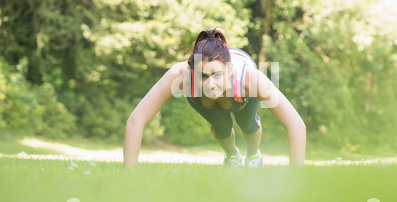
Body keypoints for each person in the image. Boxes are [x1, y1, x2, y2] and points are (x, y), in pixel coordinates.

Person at [124, 28, 306, 168]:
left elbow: (296, 125)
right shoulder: (181, 75)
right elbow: (136, 120)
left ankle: (253, 155)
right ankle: (232, 156)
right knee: (221, 128)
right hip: (205, 102)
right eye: (203, 76)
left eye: (217, 75)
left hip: (241, 97)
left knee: (248, 123)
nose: (210, 84)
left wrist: (297, 178)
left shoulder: (251, 79)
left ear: (229, 70)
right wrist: (129, 174)